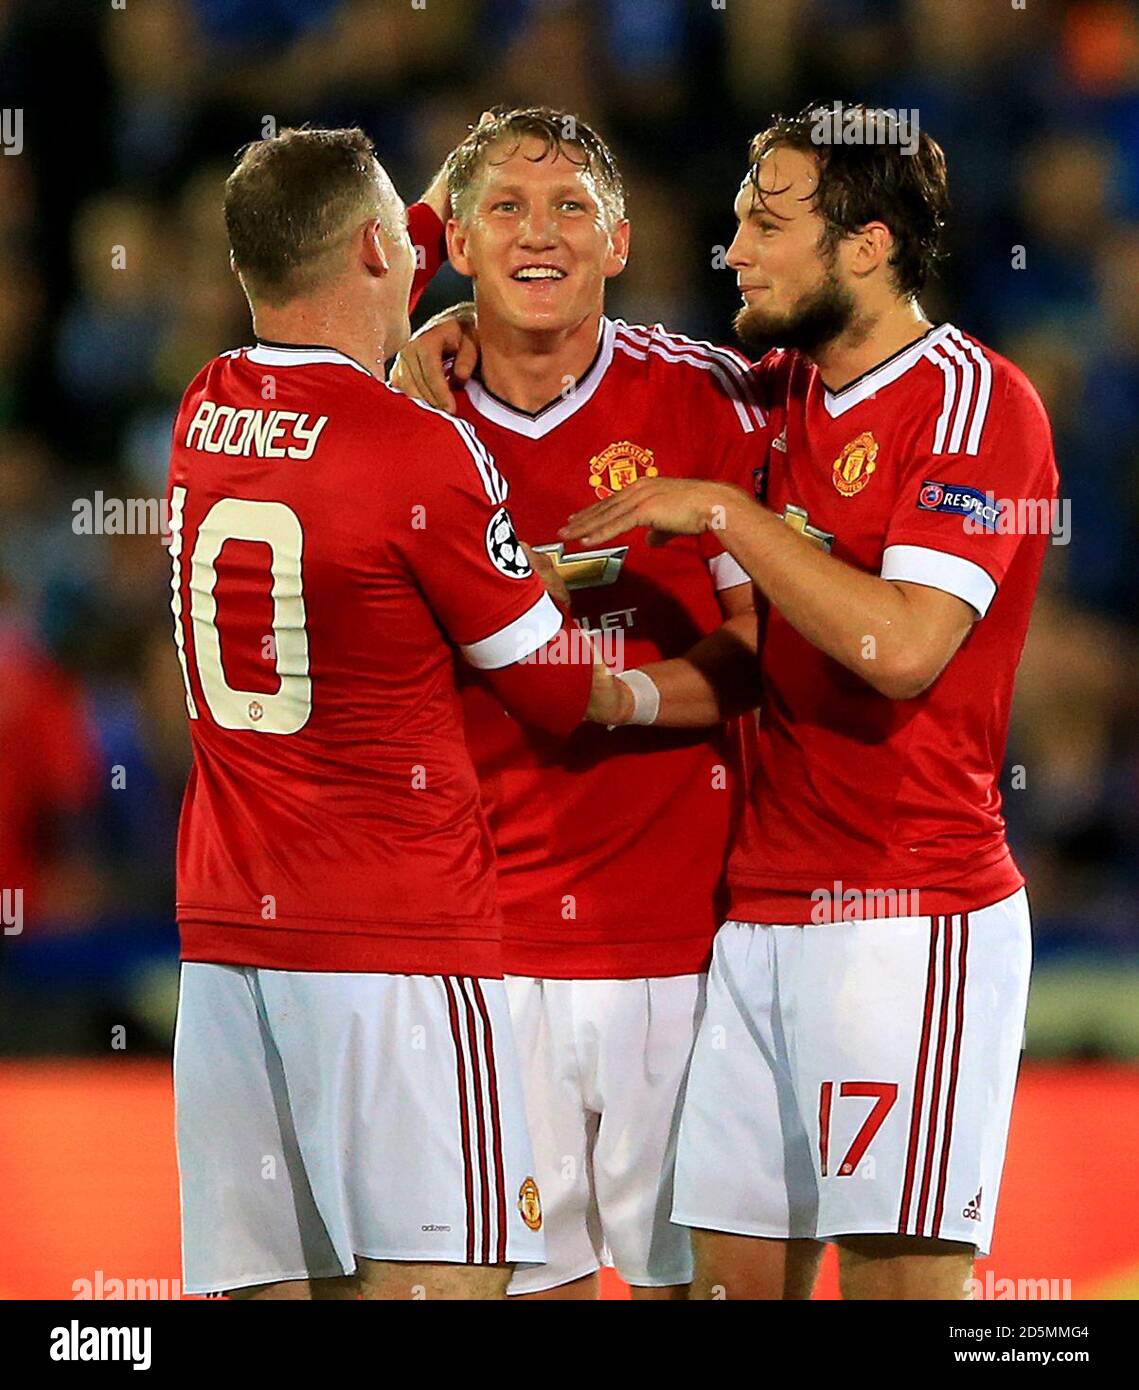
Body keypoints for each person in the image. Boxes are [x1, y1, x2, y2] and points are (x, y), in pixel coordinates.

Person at [561, 105, 1058, 1299]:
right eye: (736, 216)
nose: (733, 248)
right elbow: (597, 359)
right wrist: (448, 329)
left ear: (866, 247)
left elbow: (898, 648)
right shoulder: (762, 394)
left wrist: (727, 515)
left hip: (909, 914)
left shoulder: (975, 406)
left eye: (766, 221)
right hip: (752, 921)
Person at [166, 126, 621, 1301]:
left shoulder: (201, 416)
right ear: (379, 247)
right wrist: (551, 599)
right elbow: (556, 689)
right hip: (395, 954)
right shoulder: (419, 452)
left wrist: (446, 187)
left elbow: (329, 251)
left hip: (229, 951)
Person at [391, 107, 761, 1299]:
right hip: (479, 948)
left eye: (569, 210)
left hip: (678, 941)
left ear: (621, 242)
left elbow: (764, 649)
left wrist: (602, 693)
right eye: (504, 207)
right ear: (451, 240)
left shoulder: (713, 400)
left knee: (684, 1286)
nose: (536, 234)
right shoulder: (400, 422)